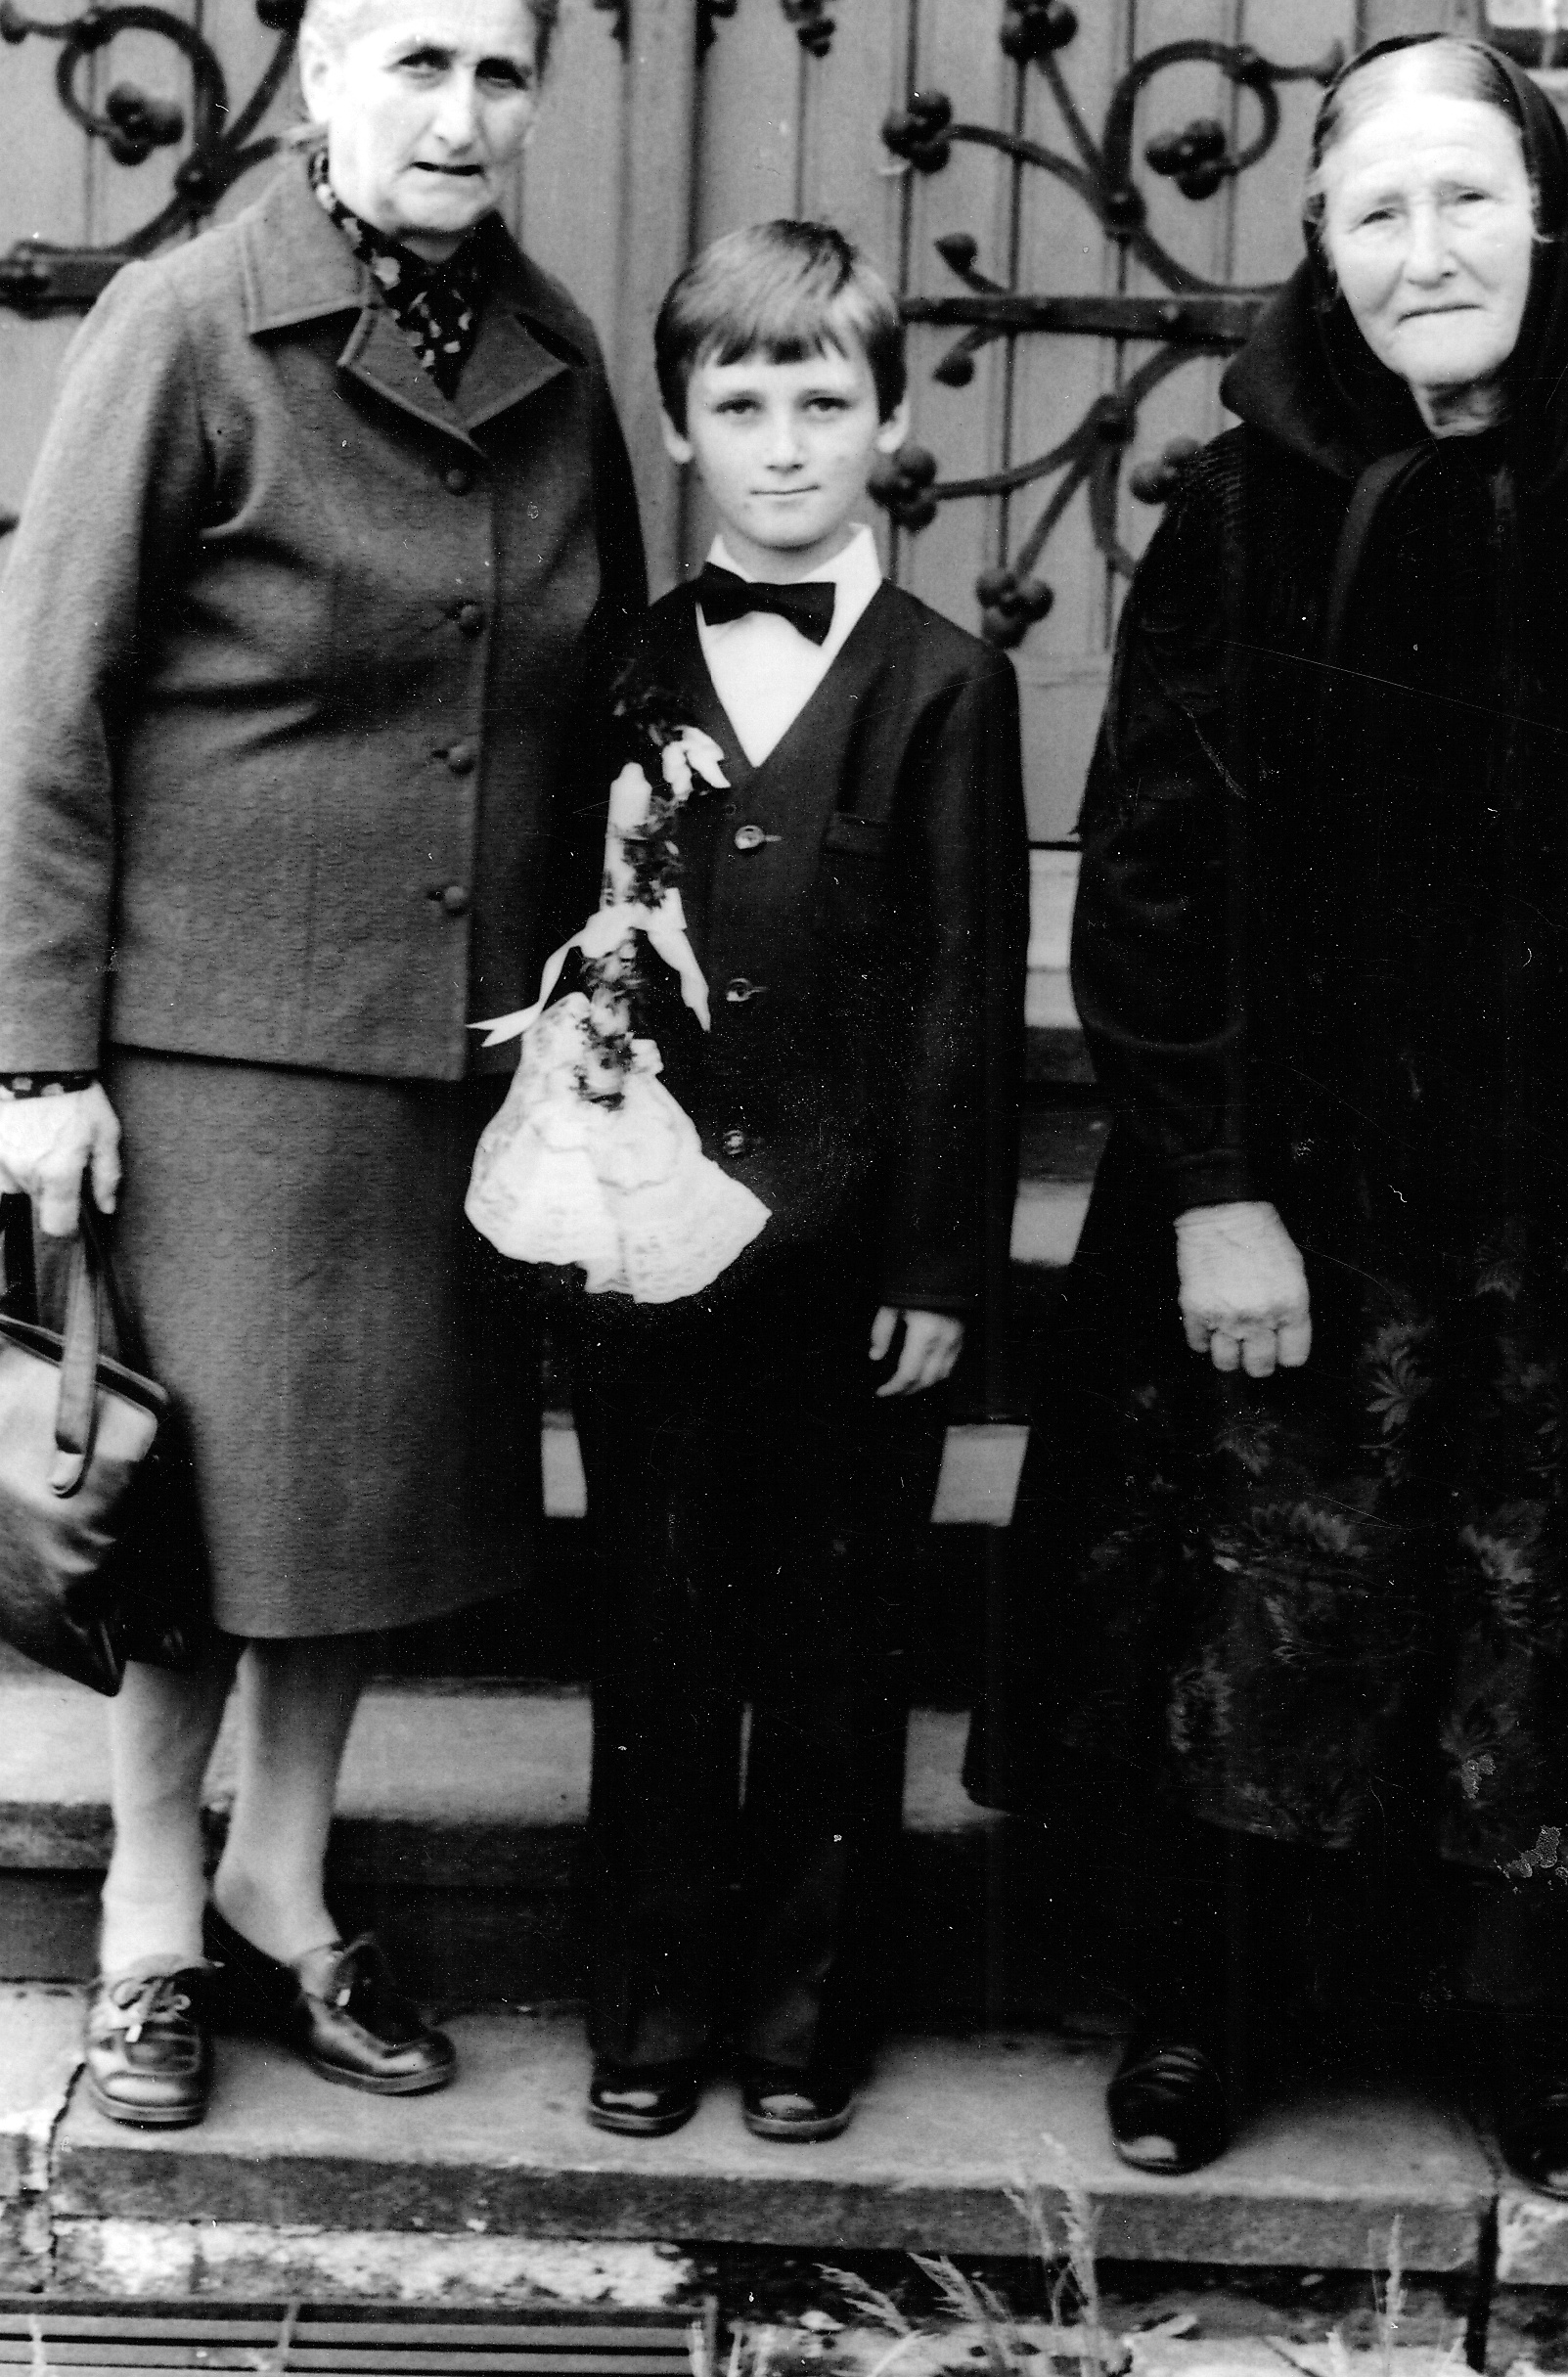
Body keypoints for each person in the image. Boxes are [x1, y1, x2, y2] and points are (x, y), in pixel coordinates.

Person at [968, 35, 1568, 2200]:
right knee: (1250, 1592)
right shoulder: (1239, 497)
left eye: (1466, 199)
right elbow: (1153, 863)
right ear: (1319, 248)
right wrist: (1209, 1188)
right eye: (1378, 210)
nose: (1425, 249)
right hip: (1303, 1184)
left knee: (1567, 1602)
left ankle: (1544, 2025)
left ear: (1542, 220)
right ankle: (1208, 2002)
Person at [0, 0, 646, 2130]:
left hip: (455, 1053)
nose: (459, 114)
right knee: (199, 1526)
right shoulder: (189, 324)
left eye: (500, 74)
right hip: (224, 1051)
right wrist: (39, 1059)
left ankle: (282, 1875)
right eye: (418, 65)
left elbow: (601, 685)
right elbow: (47, 712)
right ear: (321, 78)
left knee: (358, 1515)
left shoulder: (554, 355)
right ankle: (147, 1919)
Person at [566, 219, 1028, 2144]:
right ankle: (651, 1998)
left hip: (850, 1263)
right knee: (659, 1622)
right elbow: (575, 956)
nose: (781, 444)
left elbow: (965, 987)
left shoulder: (946, 684)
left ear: (889, 423)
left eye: (821, 402)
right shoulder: (619, 669)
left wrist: (935, 1262)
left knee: (838, 1642)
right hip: (646, 1250)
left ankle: (803, 2014)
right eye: (739, 403)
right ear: (678, 427)